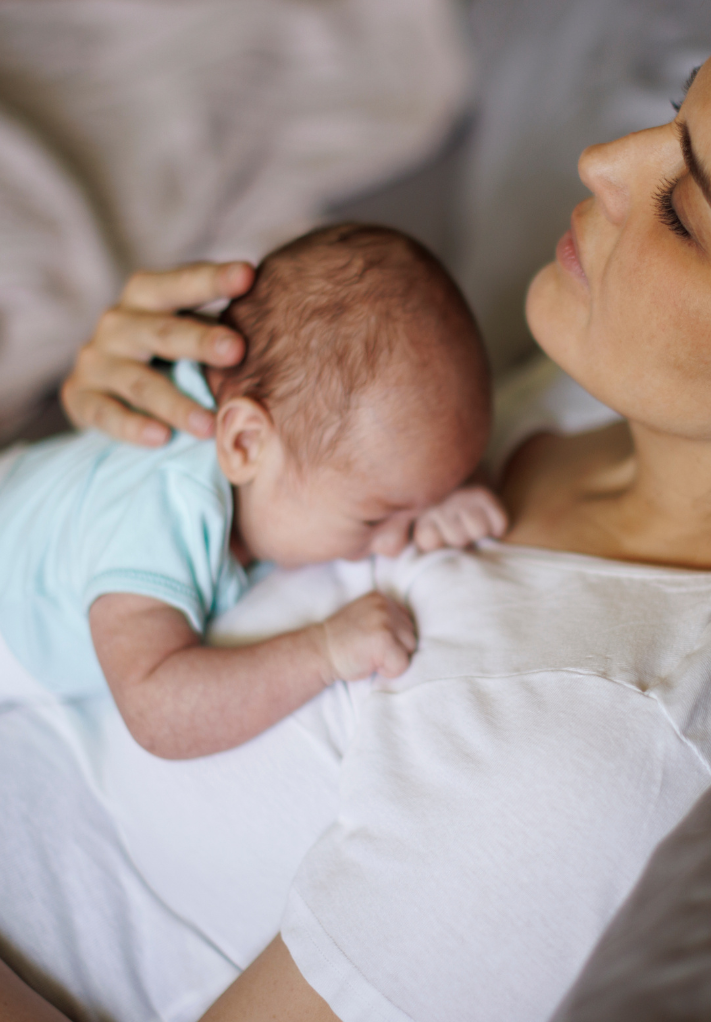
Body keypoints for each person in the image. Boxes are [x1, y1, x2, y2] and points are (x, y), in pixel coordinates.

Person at [2, 0, 711, 1019]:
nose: (602, 163)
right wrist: (139, 426)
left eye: (683, 210)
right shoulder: (610, 403)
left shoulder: (574, 762)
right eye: (676, 110)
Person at [0, 223, 506, 759]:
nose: (394, 542)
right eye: (374, 519)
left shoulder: (280, 436)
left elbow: (392, 458)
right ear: (245, 442)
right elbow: (156, 709)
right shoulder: (165, 511)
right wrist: (324, 650)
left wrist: (439, 497)